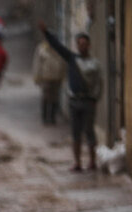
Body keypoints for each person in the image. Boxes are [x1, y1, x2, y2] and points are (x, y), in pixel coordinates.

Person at [37, 20, 102, 171]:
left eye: (84, 43)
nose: (82, 46)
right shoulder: (73, 59)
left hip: (88, 102)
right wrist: (46, 33)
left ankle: (92, 162)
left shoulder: (94, 64)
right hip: (74, 101)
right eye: (79, 43)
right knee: (76, 134)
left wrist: (94, 99)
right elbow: (58, 47)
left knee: (89, 132)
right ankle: (77, 163)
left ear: (89, 45)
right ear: (77, 45)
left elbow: (99, 84)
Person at [33, 36, 66, 125]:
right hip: (45, 77)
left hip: (56, 77)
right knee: (45, 98)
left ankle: (52, 117)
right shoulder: (41, 49)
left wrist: (63, 76)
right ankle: (44, 118)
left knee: (54, 98)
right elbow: (37, 63)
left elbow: (63, 63)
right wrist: (37, 76)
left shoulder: (59, 49)